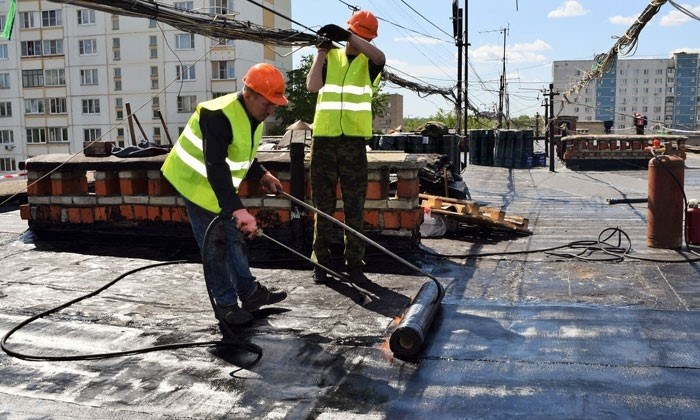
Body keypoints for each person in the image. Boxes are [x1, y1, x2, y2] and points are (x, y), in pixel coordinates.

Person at [161, 63, 288, 336]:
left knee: (234, 238)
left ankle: (250, 293)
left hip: (217, 186)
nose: (272, 110)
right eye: (269, 103)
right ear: (250, 94)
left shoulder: (252, 115)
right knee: (215, 244)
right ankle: (226, 304)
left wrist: (262, 173)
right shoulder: (217, 115)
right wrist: (238, 210)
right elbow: (216, 164)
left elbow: (240, 152)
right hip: (194, 182)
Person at [306, 10, 386, 285]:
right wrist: (321, 51)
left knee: (354, 207)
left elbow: (380, 57)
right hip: (324, 140)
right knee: (322, 206)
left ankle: (354, 264)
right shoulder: (331, 58)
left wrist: (349, 35)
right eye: (355, 34)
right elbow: (312, 86)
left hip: (352, 141)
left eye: (362, 36)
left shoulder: (369, 62)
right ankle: (321, 262)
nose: (356, 41)